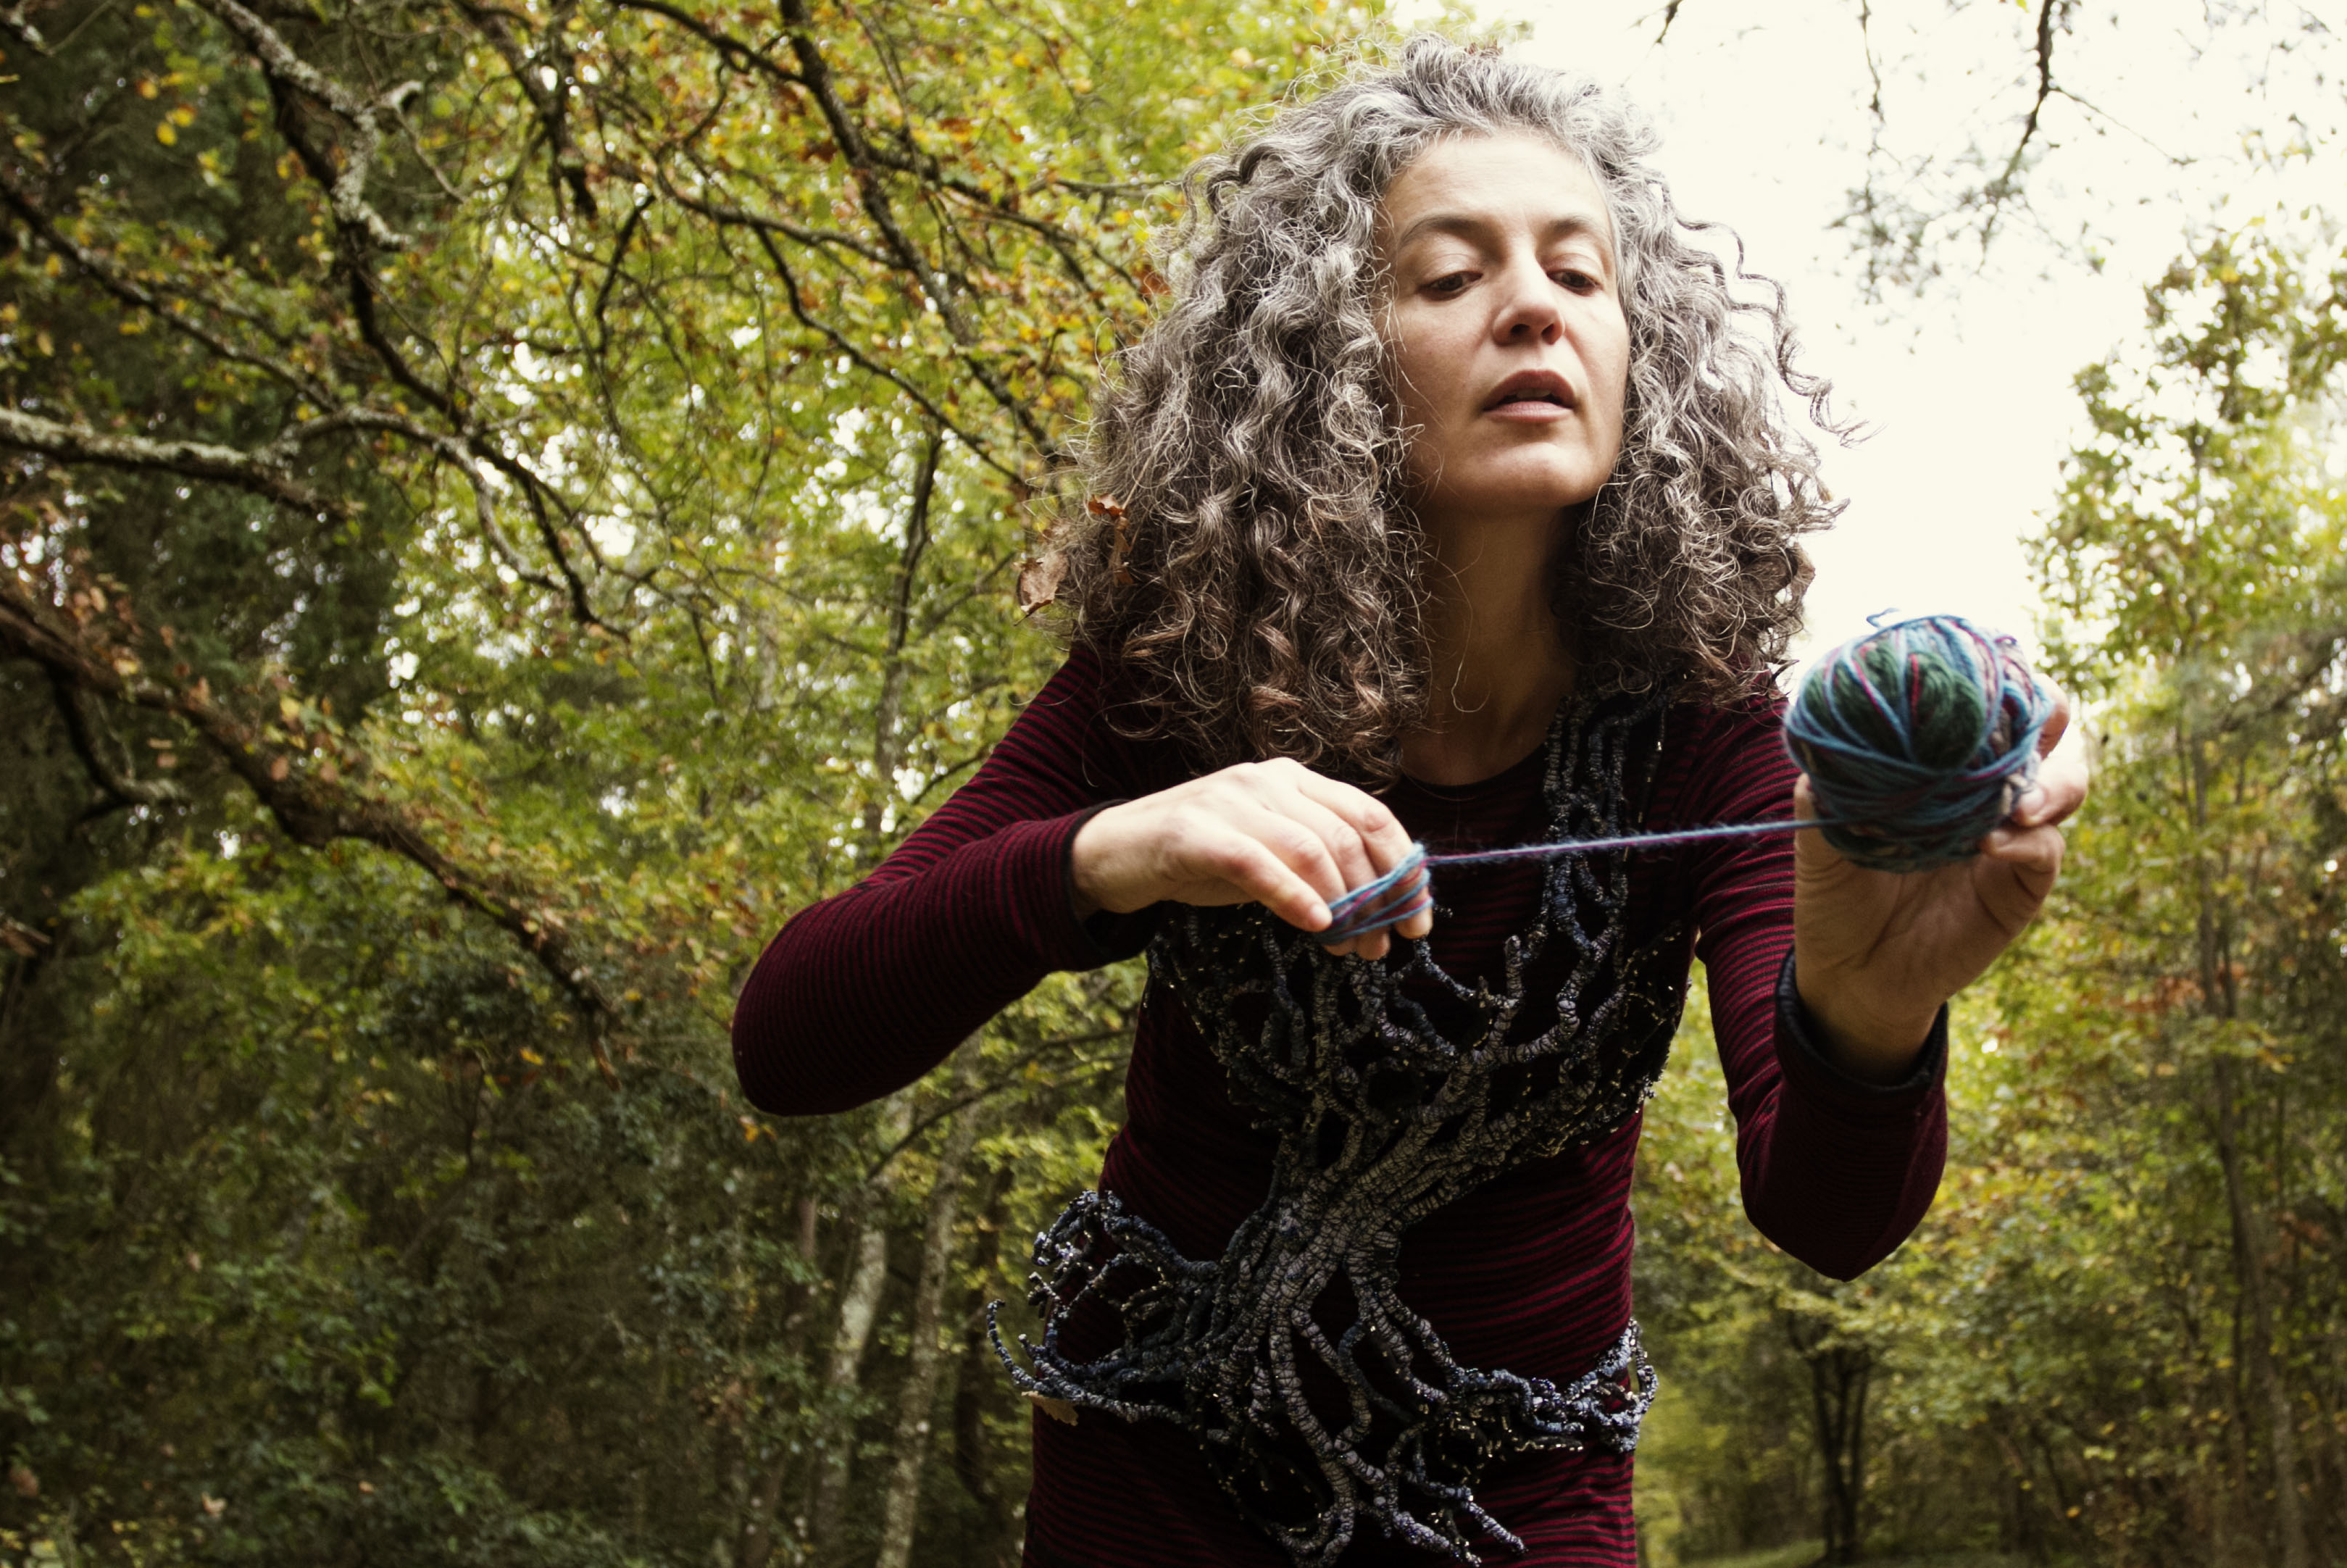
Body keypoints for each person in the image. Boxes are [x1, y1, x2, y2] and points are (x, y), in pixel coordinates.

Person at [731, 37, 2088, 1568]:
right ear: (1324, 359)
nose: (1534, 307)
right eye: (1449, 276)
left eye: (1580, 274)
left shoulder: (1710, 735)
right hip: (1151, 1474)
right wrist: (1114, 853)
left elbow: (1830, 1221)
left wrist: (1872, 1003)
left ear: (1641, 354)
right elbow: (792, 1037)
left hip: (1522, 1500)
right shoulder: (1178, 675)